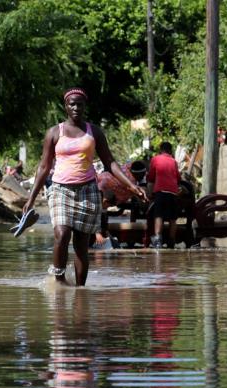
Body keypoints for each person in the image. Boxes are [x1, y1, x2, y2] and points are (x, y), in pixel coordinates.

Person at [24, 88, 147, 286]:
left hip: (88, 191)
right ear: (65, 106)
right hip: (61, 190)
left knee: (81, 245)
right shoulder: (54, 133)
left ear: (84, 106)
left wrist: (132, 186)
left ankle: (80, 290)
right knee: (62, 235)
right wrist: (31, 199)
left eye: (79, 104)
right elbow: (44, 167)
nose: (75, 107)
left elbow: (110, 162)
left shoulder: (94, 132)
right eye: (72, 104)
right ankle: (59, 282)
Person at [147, 141, 181, 248]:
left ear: (160, 150)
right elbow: (178, 178)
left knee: (158, 215)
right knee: (173, 218)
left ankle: (158, 239)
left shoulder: (155, 159)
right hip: (173, 192)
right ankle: (172, 241)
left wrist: (150, 193)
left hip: (160, 192)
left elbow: (151, 177)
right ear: (170, 151)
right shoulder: (174, 161)